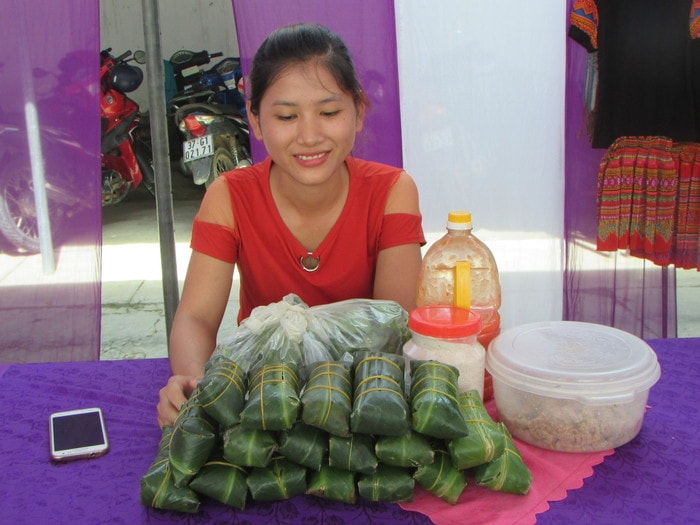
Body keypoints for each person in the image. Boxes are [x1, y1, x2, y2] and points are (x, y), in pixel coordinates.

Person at [157, 23, 425, 428]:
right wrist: (191, 381)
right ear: (257, 122)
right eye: (286, 116)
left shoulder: (392, 190)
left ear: (359, 112)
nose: (310, 135)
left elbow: (391, 329)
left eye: (329, 112)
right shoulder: (229, 196)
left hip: (361, 402)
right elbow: (195, 316)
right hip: (263, 399)